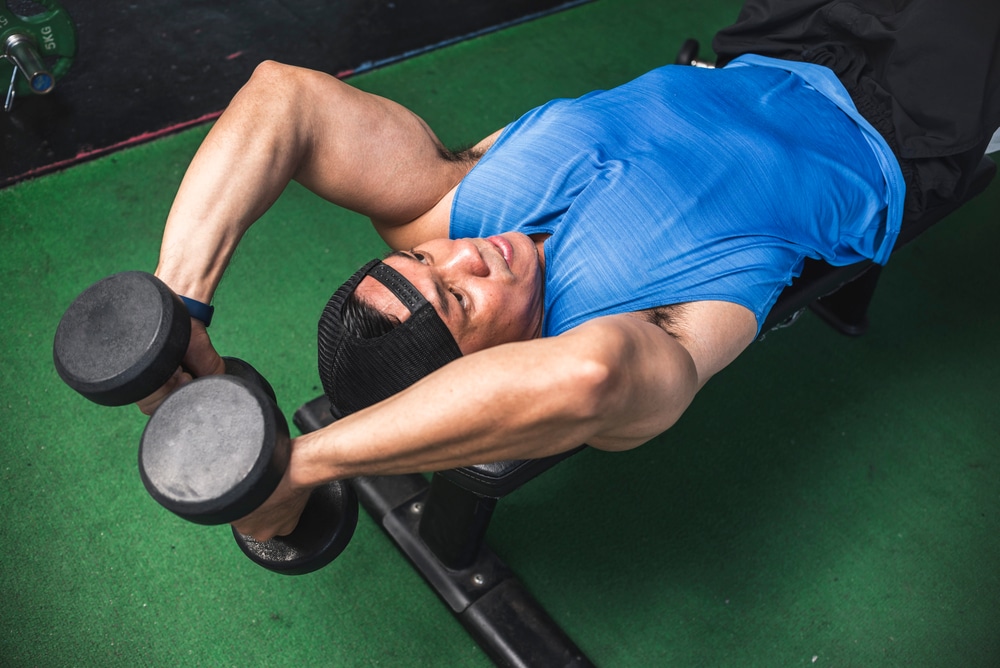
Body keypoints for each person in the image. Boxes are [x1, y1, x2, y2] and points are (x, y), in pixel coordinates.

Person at [138, 0, 1000, 541]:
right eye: (459, 300)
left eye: (420, 260)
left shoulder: (451, 204)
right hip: (909, 117)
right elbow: (584, 378)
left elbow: (285, 96)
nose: (465, 255)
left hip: (781, 35)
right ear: (486, 368)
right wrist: (300, 467)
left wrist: (176, 314)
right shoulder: (640, 335)